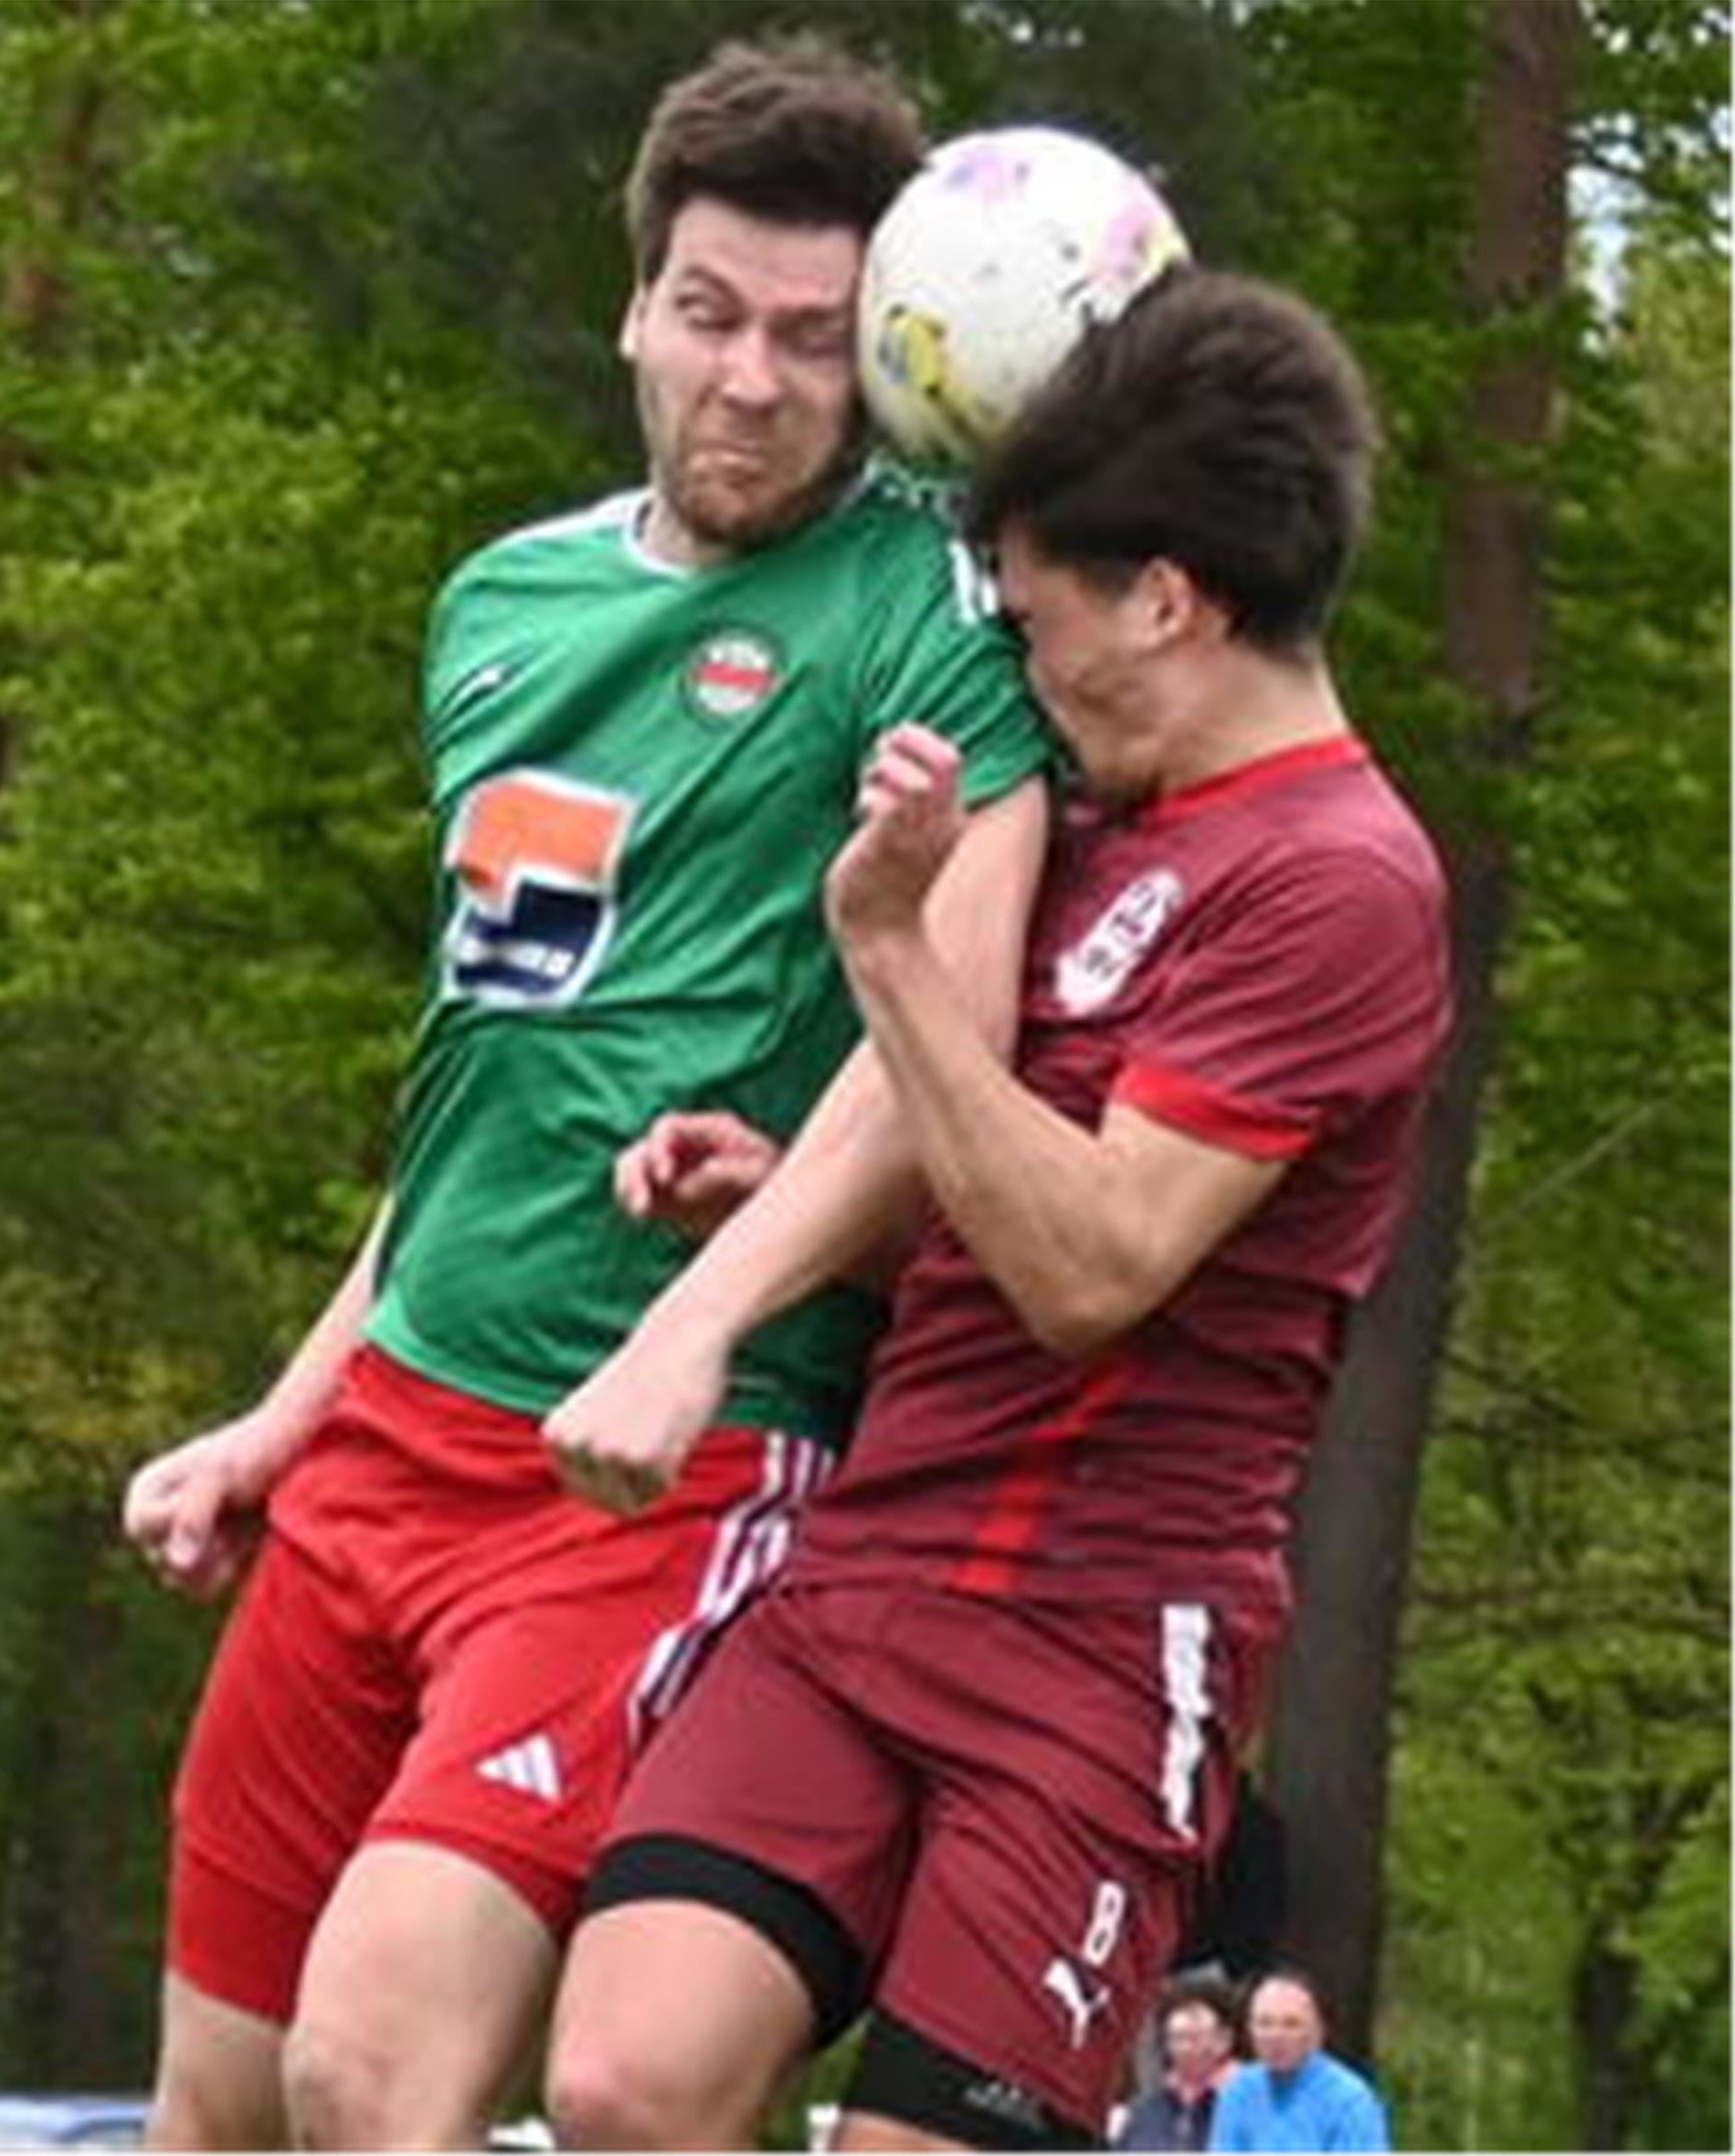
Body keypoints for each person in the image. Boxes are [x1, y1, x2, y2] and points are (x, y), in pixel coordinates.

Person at [119, 37, 1050, 2151]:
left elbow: (952, 1059)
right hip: (380, 1438)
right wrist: (286, 1411)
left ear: (881, 361)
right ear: (637, 303)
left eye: (814, 342)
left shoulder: (929, 610)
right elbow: (487, 1082)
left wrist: (698, 1324)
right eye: (711, 316)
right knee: (222, 2108)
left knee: (380, 2072)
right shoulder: (500, 604)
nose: (749, 381)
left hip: (649, 1473)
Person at [543, 264, 1453, 2151]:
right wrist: (794, 1198)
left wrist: (884, 945)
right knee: (624, 2078)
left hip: (1098, 1654)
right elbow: (983, 1195)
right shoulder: (1109, 828)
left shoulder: (1341, 882)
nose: (1029, 674)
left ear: (1171, 602)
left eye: (1041, 627)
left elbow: (1094, 1262)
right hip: (870, 1576)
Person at [1208, 1970, 1391, 2151]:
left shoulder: (1350, 2101)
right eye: (1264, 2023)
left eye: (1291, 2024)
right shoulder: (1238, 2092)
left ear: (1318, 2034)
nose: (1276, 2036)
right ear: (1249, 2030)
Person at [1113, 1976, 1240, 2151]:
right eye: (1178, 2038)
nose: (1185, 2049)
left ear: (1224, 2040)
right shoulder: (1144, 2113)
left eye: (1195, 2038)